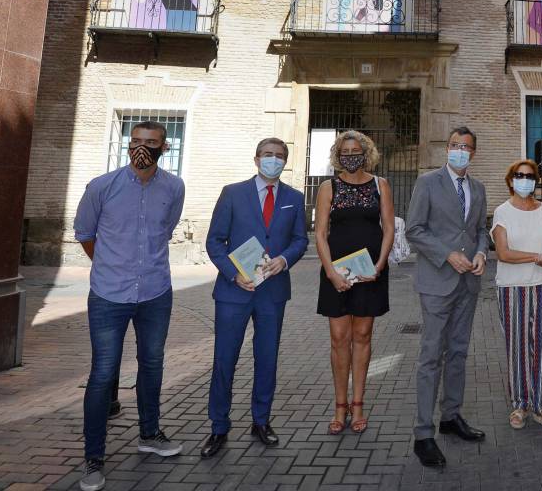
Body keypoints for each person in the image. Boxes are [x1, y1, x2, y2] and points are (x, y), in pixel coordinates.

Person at [74, 121, 185, 491]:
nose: (142, 148)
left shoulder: (174, 187)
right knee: (103, 374)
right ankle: (93, 458)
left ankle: (150, 434)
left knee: (152, 365)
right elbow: (86, 235)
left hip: (155, 292)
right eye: (136, 141)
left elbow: (165, 231)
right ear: (127, 145)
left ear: (163, 148)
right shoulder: (101, 187)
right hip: (109, 294)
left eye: (151, 143)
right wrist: (111, 264)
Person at [199, 138, 308, 458]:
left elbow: (300, 239)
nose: (273, 160)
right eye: (268, 155)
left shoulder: (294, 198)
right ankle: (218, 427)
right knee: (224, 360)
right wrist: (234, 273)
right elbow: (215, 241)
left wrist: (285, 259)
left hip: (272, 291)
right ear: (257, 158)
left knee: (267, 358)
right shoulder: (232, 193)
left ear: (286, 161)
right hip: (234, 291)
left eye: (280, 156)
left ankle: (261, 421)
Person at [405, 127, 489, 467]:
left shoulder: (479, 188)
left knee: (458, 353)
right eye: (455, 146)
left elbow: (480, 229)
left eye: (466, 147)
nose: (460, 151)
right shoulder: (427, 183)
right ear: (447, 149)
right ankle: (423, 434)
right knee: (431, 357)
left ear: (473, 153)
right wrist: (447, 254)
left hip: (468, 284)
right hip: (437, 281)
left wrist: (483, 253)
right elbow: (414, 230)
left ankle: (450, 416)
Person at [314, 131, 395, 435]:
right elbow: (320, 233)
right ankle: (339, 405)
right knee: (338, 338)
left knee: (362, 334)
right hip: (336, 272)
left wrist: (379, 264)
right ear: (338, 155)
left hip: (369, 272)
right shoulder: (328, 187)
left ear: (366, 153)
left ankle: (358, 403)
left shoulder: (380, 185)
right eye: (345, 151)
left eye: (356, 151)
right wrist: (331, 272)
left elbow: (389, 229)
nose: (350, 156)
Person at [491, 159, 542, 432]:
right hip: (513, 287)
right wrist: (537, 256)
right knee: (518, 345)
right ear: (511, 180)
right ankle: (520, 403)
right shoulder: (502, 211)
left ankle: (541, 403)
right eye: (520, 175)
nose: (525, 180)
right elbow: (504, 253)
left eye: (530, 176)